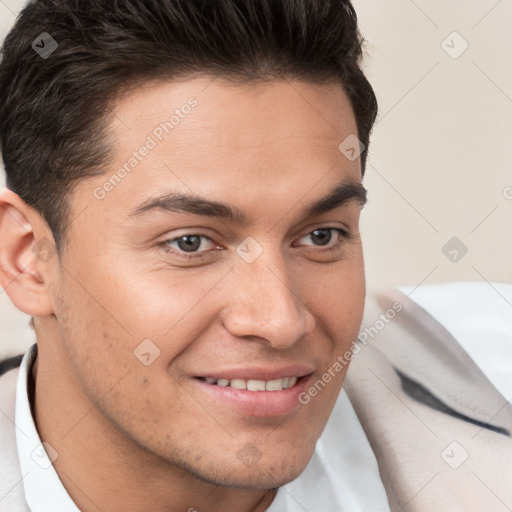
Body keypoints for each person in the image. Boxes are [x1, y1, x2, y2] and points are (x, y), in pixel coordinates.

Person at [0, 1, 510, 511]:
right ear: (27, 258)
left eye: (321, 236)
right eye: (190, 243)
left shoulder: (491, 383)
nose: (280, 321)